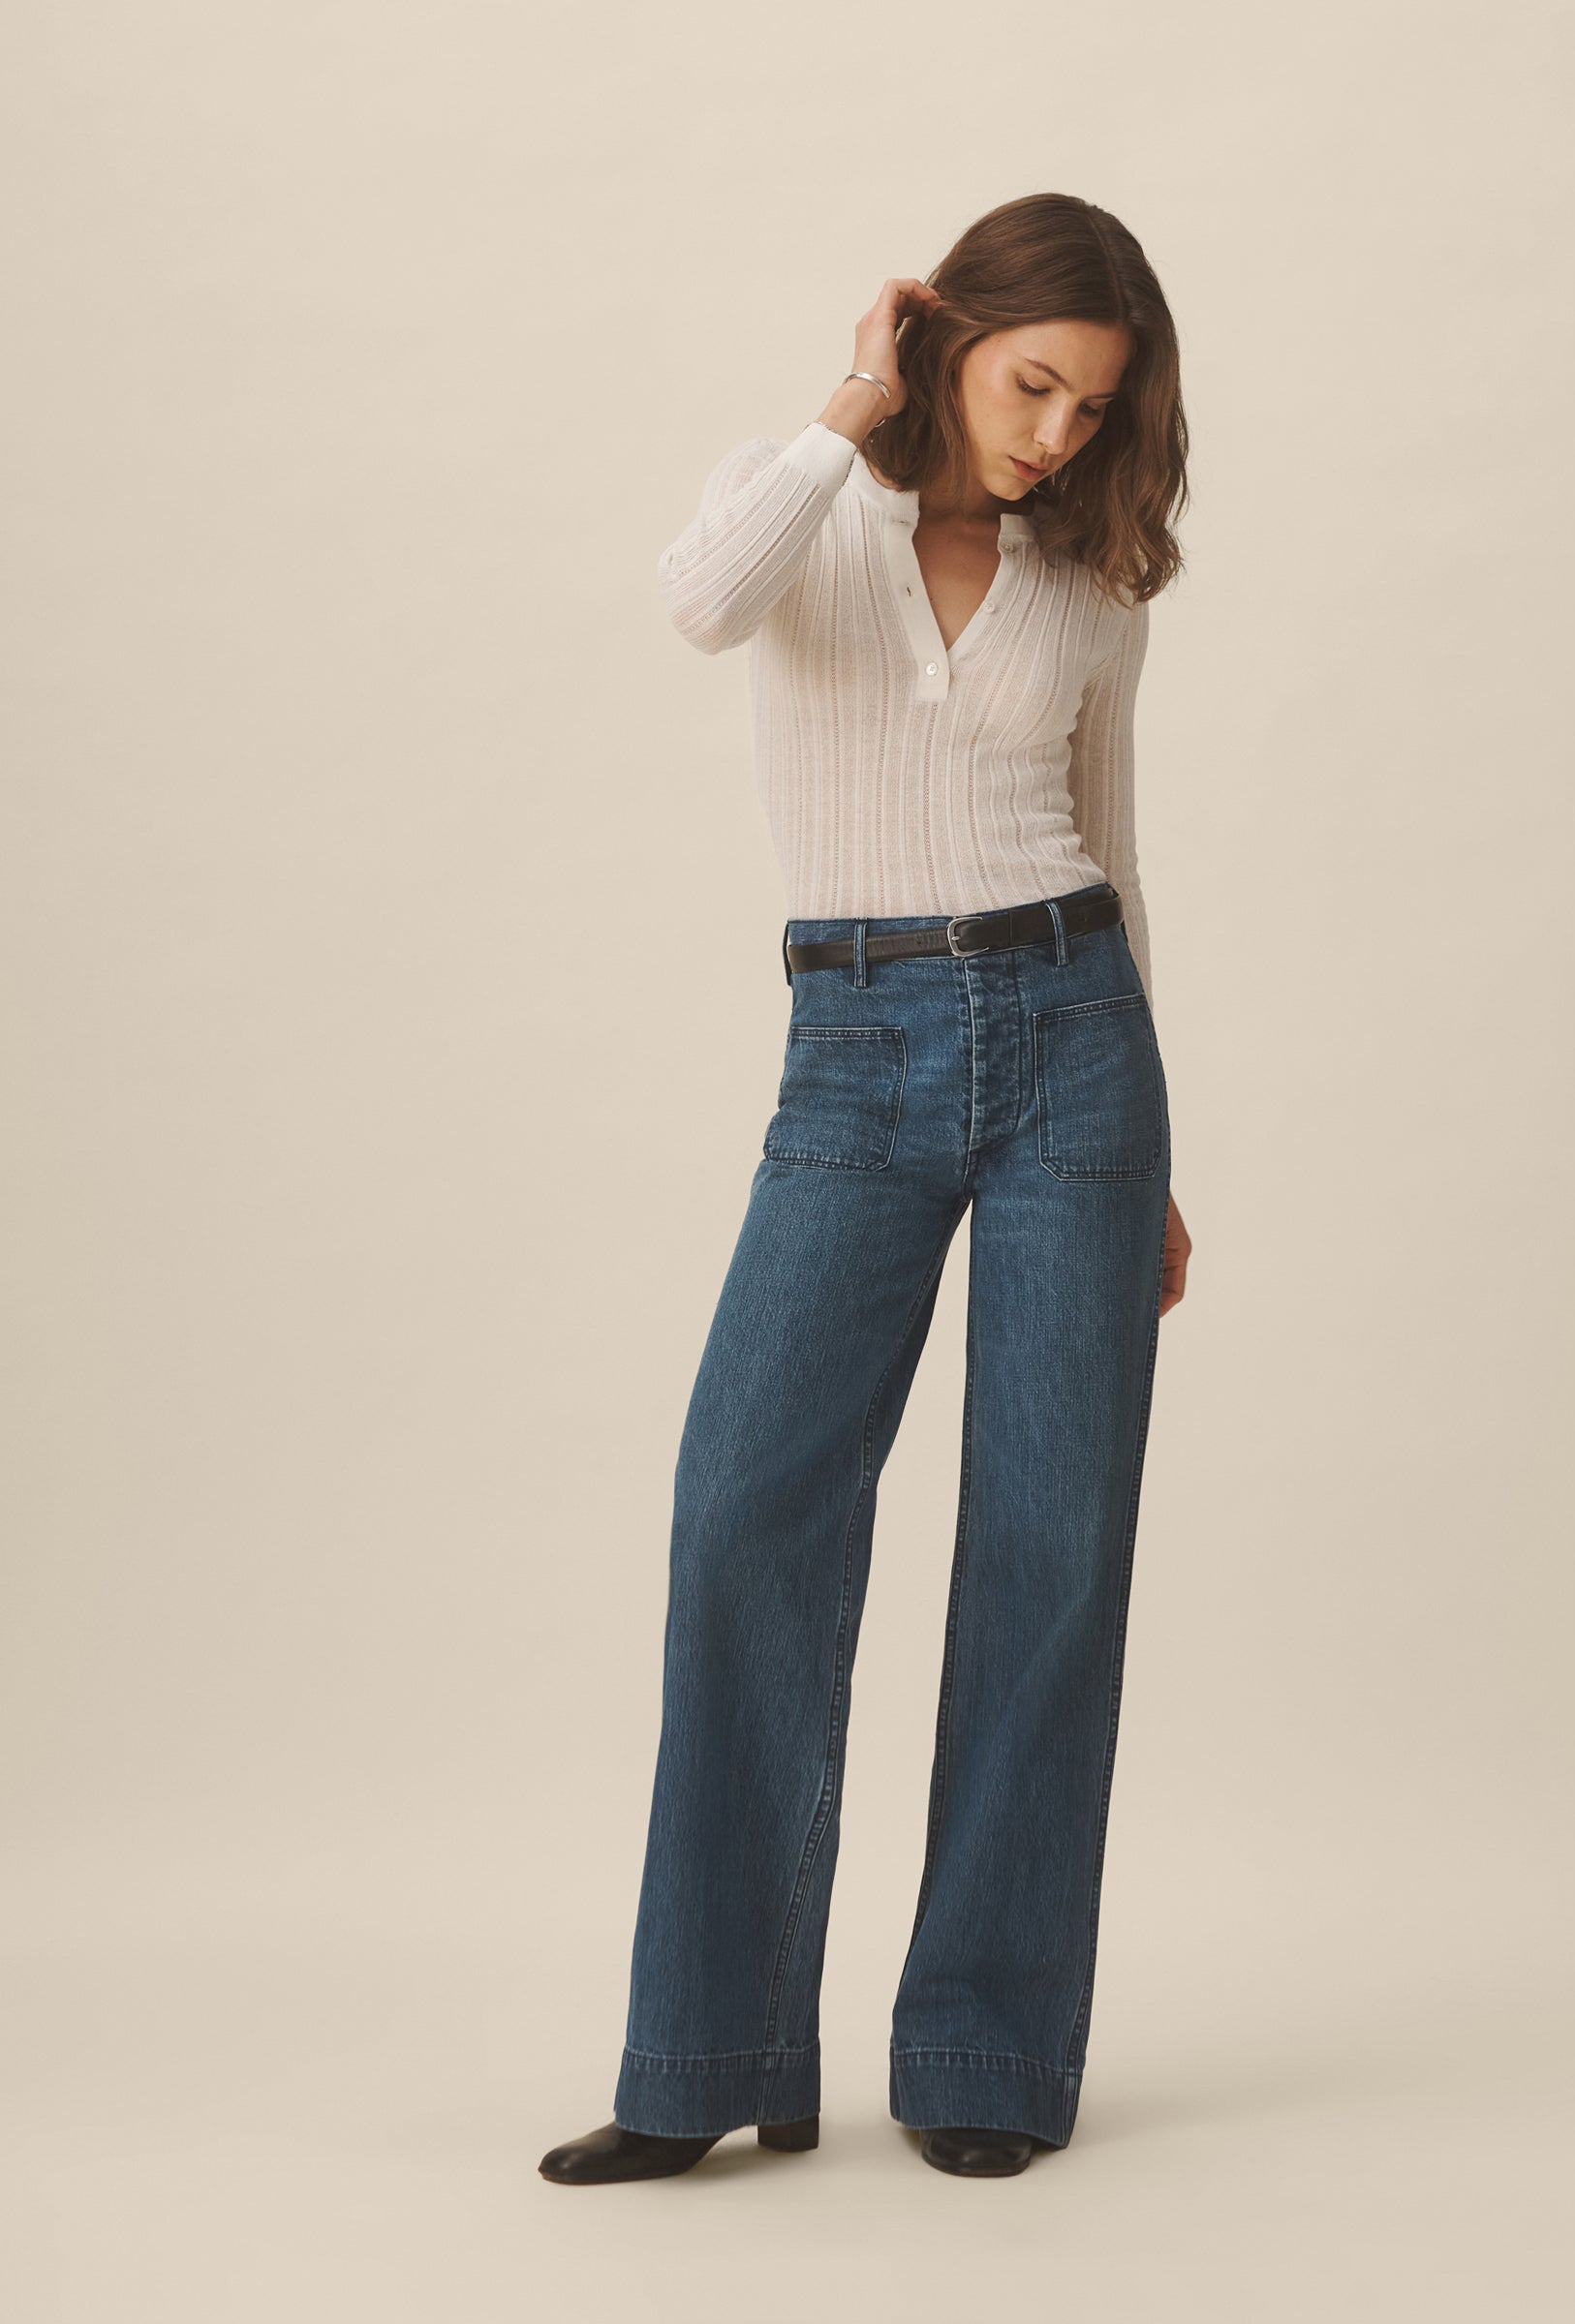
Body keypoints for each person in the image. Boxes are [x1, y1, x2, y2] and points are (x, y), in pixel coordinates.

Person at [540, 191, 1194, 2186]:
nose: (1058, 436)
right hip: (856, 1046)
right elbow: (694, 601)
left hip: (1079, 1043)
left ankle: (984, 2052)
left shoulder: (1090, 584)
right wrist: (847, 409)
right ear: (947, 339)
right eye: (1032, 384)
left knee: (1051, 1546)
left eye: (1095, 408)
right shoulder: (803, 505)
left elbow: (1112, 845)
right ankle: (709, 2053)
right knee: (747, 1508)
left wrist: (1164, 1152)